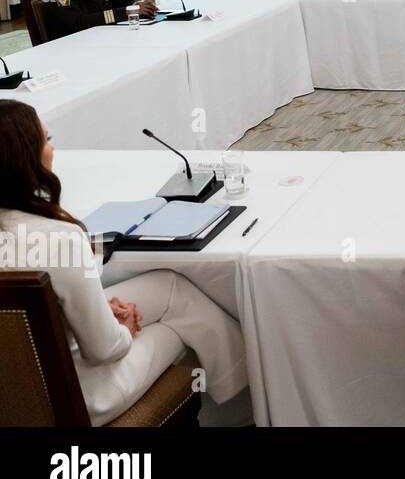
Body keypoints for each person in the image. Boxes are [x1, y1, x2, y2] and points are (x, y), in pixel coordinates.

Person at [0, 100, 248, 426]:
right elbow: (105, 350)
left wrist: (103, 312)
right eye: (45, 140)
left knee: (170, 287)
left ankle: (239, 409)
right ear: (24, 158)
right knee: (180, 325)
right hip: (80, 397)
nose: (52, 149)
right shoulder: (58, 237)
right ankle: (242, 412)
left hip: (13, 391)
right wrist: (123, 329)